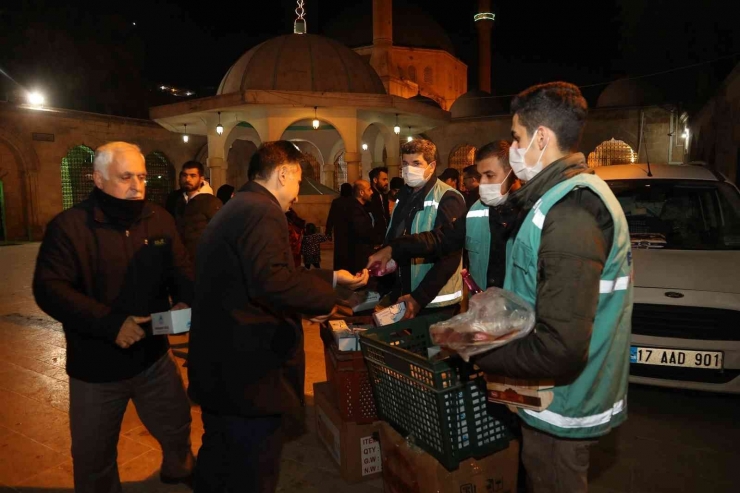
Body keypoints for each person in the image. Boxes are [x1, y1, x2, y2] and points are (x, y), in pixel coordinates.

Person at [372, 82, 634, 493]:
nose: (513, 147)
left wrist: (475, 350)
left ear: (542, 139)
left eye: (517, 137)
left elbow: (561, 347)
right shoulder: (548, 200)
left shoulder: (573, 212)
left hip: (565, 402)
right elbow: (449, 243)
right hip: (544, 397)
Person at [187, 141, 369, 492]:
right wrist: (327, 300)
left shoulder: (240, 205)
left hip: (222, 372)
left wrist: (330, 278)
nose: (298, 196)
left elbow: (267, 273)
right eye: (299, 182)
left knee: (218, 465)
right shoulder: (261, 210)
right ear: (283, 173)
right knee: (252, 472)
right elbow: (271, 281)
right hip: (248, 377)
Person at [33, 141, 195, 493]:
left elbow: (181, 269)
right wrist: (110, 324)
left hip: (153, 356)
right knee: (94, 456)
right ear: (99, 179)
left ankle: (178, 467)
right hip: (95, 367)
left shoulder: (159, 219)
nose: (137, 185)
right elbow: (49, 289)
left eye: (142, 176)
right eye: (126, 177)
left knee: (177, 423)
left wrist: (185, 299)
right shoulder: (69, 227)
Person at [382, 139, 466, 319]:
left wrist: (419, 298)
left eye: (416, 163)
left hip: (434, 303)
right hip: (404, 296)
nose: (409, 169)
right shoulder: (403, 197)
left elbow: (451, 256)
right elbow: (394, 239)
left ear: (432, 165)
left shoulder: (448, 198)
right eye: (405, 163)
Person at [174, 161, 222, 261]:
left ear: (201, 179)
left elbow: (221, 233)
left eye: (193, 176)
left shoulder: (211, 202)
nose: (188, 179)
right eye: (185, 175)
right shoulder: (178, 201)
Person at [345, 179, 378, 274]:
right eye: (369, 190)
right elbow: (362, 231)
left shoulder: (362, 207)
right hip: (359, 255)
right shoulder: (354, 209)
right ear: (361, 192)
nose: (372, 192)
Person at [325, 183, 354, 271]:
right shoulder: (354, 201)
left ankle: (339, 270)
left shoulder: (336, 202)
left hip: (339, 230)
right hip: (352, 230)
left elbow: (331, 217)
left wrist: (328, 231)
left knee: (339, 251)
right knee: (351, 251)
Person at [367, 166, 391, 245]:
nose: (387, 182)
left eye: (387, 179)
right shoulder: (369, 197)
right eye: (384, 179)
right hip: (374, 241)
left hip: (385, 238)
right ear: (375, 180)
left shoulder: (383, 196)